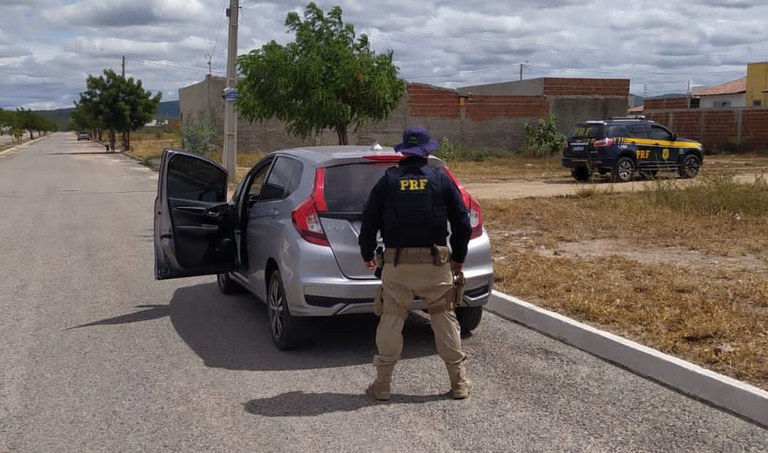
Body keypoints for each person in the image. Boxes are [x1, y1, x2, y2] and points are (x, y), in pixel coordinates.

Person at [358, 126, 473, 401]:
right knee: (444, 318)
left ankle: (382, 385)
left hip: (397, 266)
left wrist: (367, 253)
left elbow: (369, 221)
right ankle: (458, 382)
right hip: (435, 266)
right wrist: (458, 257)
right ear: (427, 152)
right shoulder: (441, 179)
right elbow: (462, 223)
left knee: (391, 319)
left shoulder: (388, 181)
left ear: (404, 152)